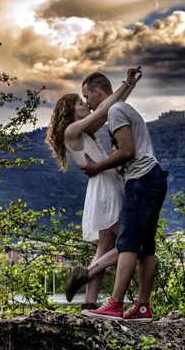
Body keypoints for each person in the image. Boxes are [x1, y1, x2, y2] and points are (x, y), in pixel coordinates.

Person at [45, 67, 142, 310]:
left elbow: (109, 109)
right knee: (131, 244)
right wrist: (125, 85)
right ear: (70, 111)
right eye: (80, 103)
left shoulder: (82, 131)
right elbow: (103, 109)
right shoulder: (71, 131)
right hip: (105, 189)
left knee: (104, 247)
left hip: (104, 185)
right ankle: (86, 273)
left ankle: (89, 304)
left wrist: (128, 86)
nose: (86, 105)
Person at [79, 71, 168, 322]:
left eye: (87, 97)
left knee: (128, 242)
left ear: (98, 92)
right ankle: (142, 307)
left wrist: (99, 166)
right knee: (145, 247)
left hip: (141, 181)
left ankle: (115, 304)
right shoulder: (120, 109)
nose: (87, 104)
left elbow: (128, 151)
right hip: (153, 178)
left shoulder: (116, 111)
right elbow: (133, 150)